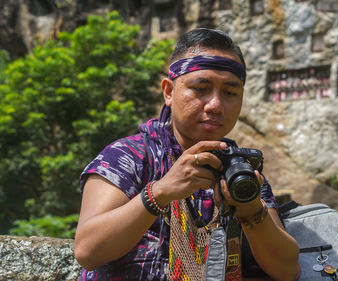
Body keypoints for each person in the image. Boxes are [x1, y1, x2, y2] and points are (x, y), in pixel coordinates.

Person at [74, 28, 300, 281]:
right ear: (169, 92)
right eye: (201, 88)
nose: (215, 105)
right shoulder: (130, 157)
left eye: (230, 93)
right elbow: (87, 251)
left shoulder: (239, 171)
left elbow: (287, 271)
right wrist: (159, 193)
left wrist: (250, 211)